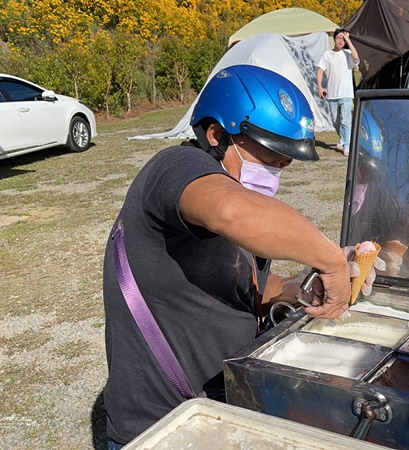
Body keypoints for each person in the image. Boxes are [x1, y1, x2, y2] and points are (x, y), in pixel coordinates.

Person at [102, 65, 371, 448]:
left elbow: (247, 288)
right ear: (216, 135)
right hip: (164, 426)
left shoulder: (239, 199)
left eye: (285, 161)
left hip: (221, 409)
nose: (280, 167)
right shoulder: (176, 167)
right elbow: (230, 209)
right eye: (271, 153)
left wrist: (301, 287)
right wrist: (329, 259)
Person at [347, 112, 409, 281]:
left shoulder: (374, 195)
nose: (363, 177)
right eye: (359, 166)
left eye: (368, 171)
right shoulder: (322, 204)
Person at [316, 28, 359, 156]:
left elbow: (356, 58)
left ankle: (347, 145)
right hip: (332, 94)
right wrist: (320, 87)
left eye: (343, 39)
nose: (341, 41)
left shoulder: (347, 53)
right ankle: (342, 137)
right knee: (335, 120)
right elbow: (319, 71)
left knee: (346, 120)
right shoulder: (327, 55)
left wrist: (348, 40)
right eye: (339, 38)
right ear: (334, 39)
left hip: (346, 94)